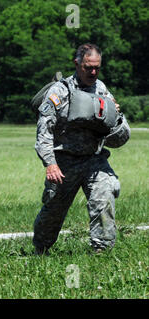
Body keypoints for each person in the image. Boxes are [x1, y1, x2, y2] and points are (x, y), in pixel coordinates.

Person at [33, 43, 130, 255]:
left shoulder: (102, 89)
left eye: (97, 67)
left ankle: (101, 252)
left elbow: (115, 131)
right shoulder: (60, 91)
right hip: (64, 161)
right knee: (54, 211)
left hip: (94, 160)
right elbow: (44, 131)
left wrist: (115, 116)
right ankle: (40, 249)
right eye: (88, 67)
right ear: (77, 64)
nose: (93, 72)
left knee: (104, 197)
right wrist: (50, 163)